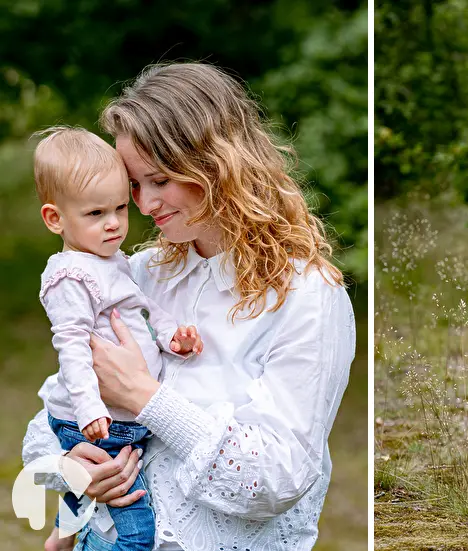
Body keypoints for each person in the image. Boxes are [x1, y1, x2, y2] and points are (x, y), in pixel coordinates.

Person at [22, 63, 355, 551]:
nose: (144, 204)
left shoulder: (307, 294)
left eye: (159, 179)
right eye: (134, 185)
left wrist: (145, 397)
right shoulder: (134, 274)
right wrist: (72, 471)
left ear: (217, 164)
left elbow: (279, 478)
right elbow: (48, 424)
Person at [33, 126, 204, 550]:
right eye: (95, 214)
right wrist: (91, 407)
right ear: (55, 218)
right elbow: (72, 347)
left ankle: (61, 535)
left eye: (119, 209)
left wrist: (171, 337)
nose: (113, 225)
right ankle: (67, 533)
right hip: (97, 422)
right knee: (134, 528)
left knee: (96, 493)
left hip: (122, 417)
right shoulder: (69, 276)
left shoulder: (111, 260)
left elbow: (143, 309)